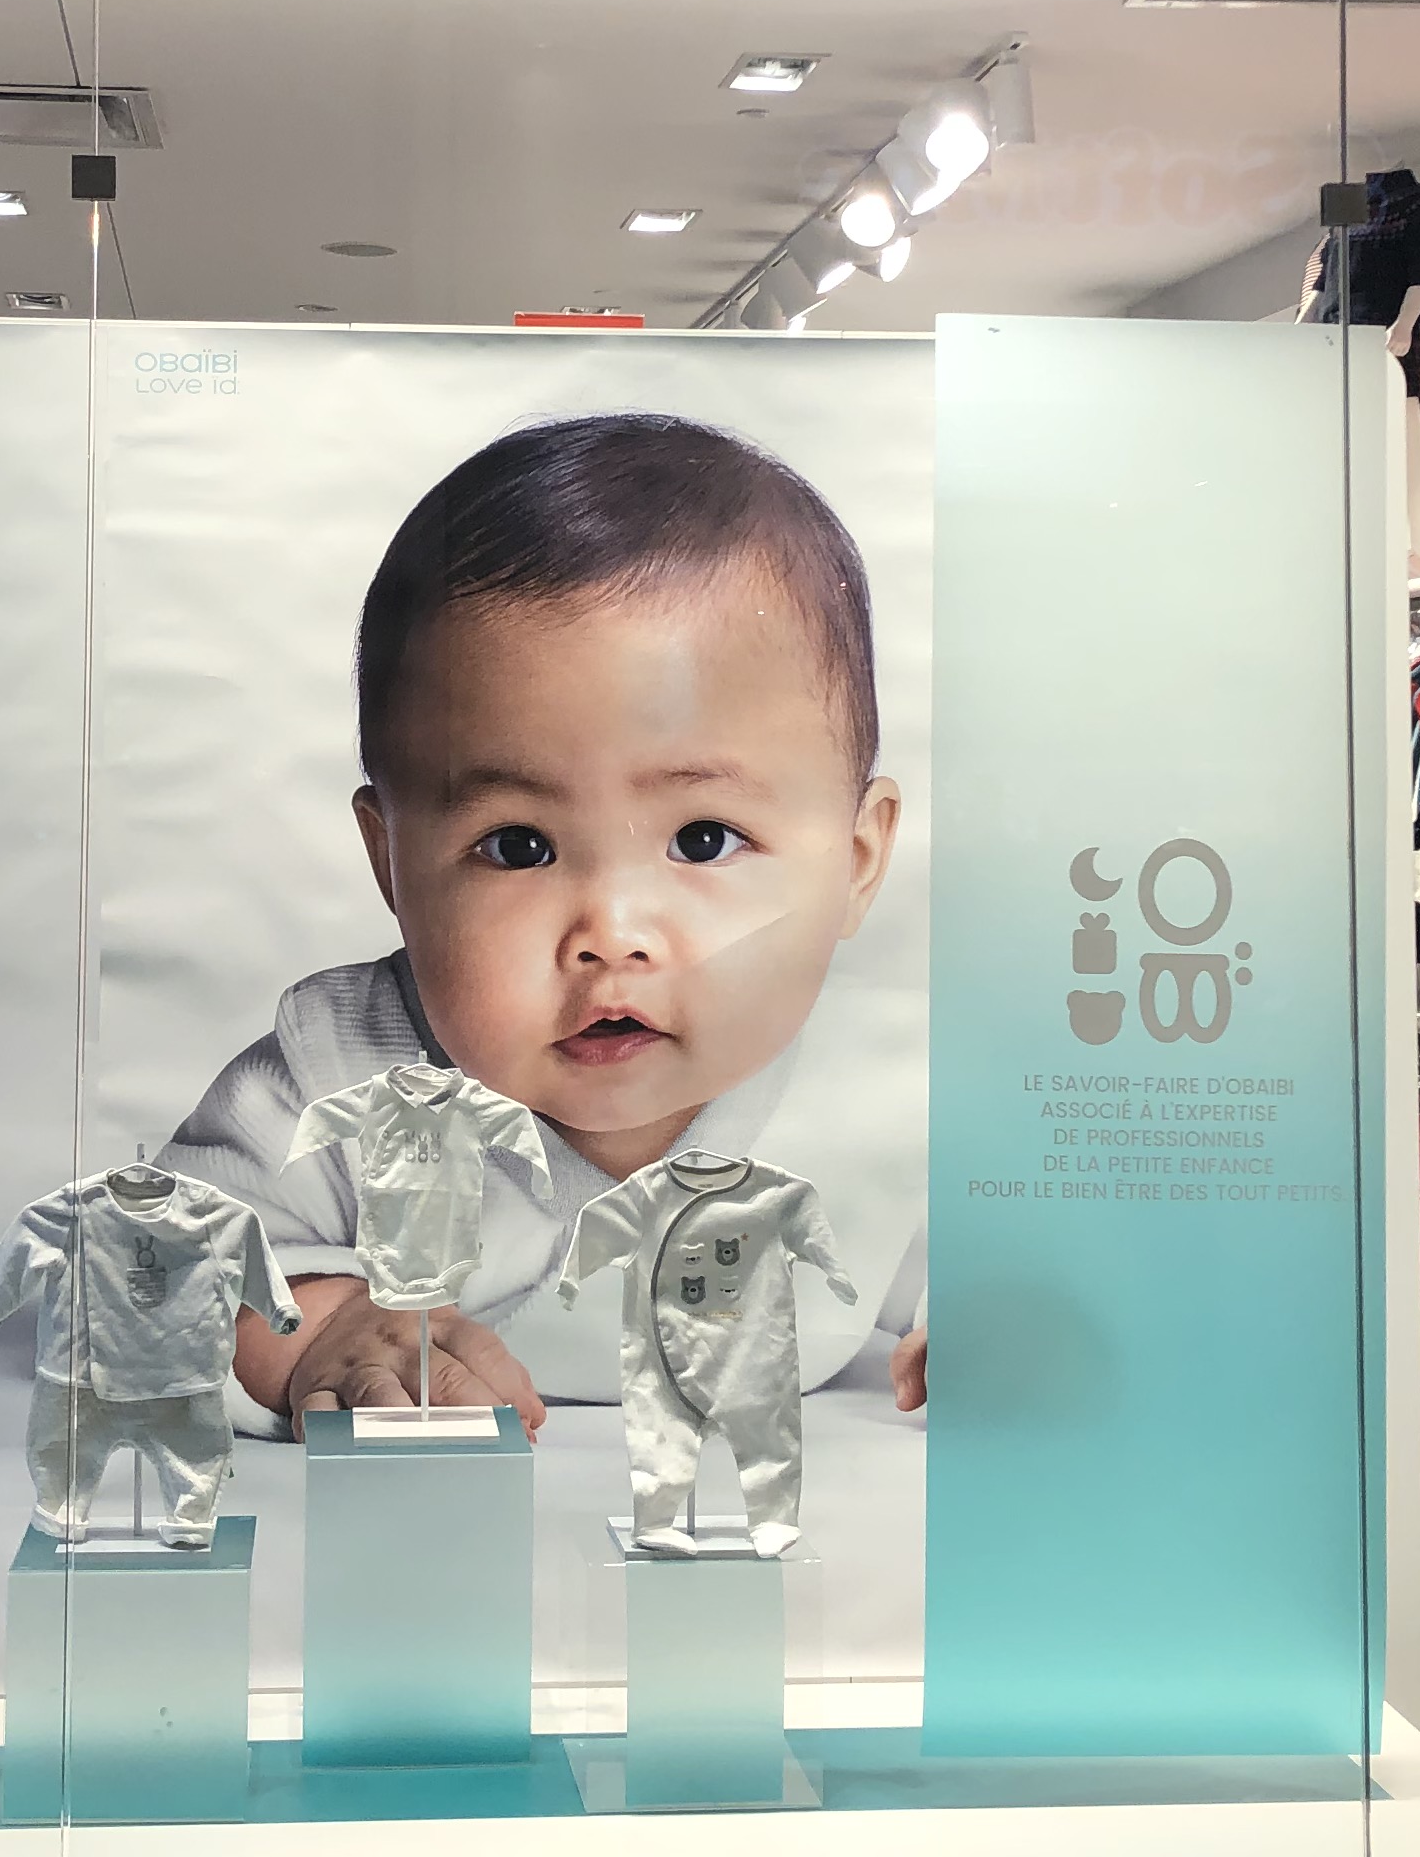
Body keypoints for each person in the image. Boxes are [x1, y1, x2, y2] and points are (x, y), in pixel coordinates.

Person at [158, 412, 928, 1430]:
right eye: (520, 846)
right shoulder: (345, 1076)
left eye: (703, 840)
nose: (612, 931)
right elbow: (149, 1265)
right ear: (392, 863)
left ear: (857, 863)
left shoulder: (896, 1090)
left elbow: (1019, 1254)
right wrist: (312, 1331)